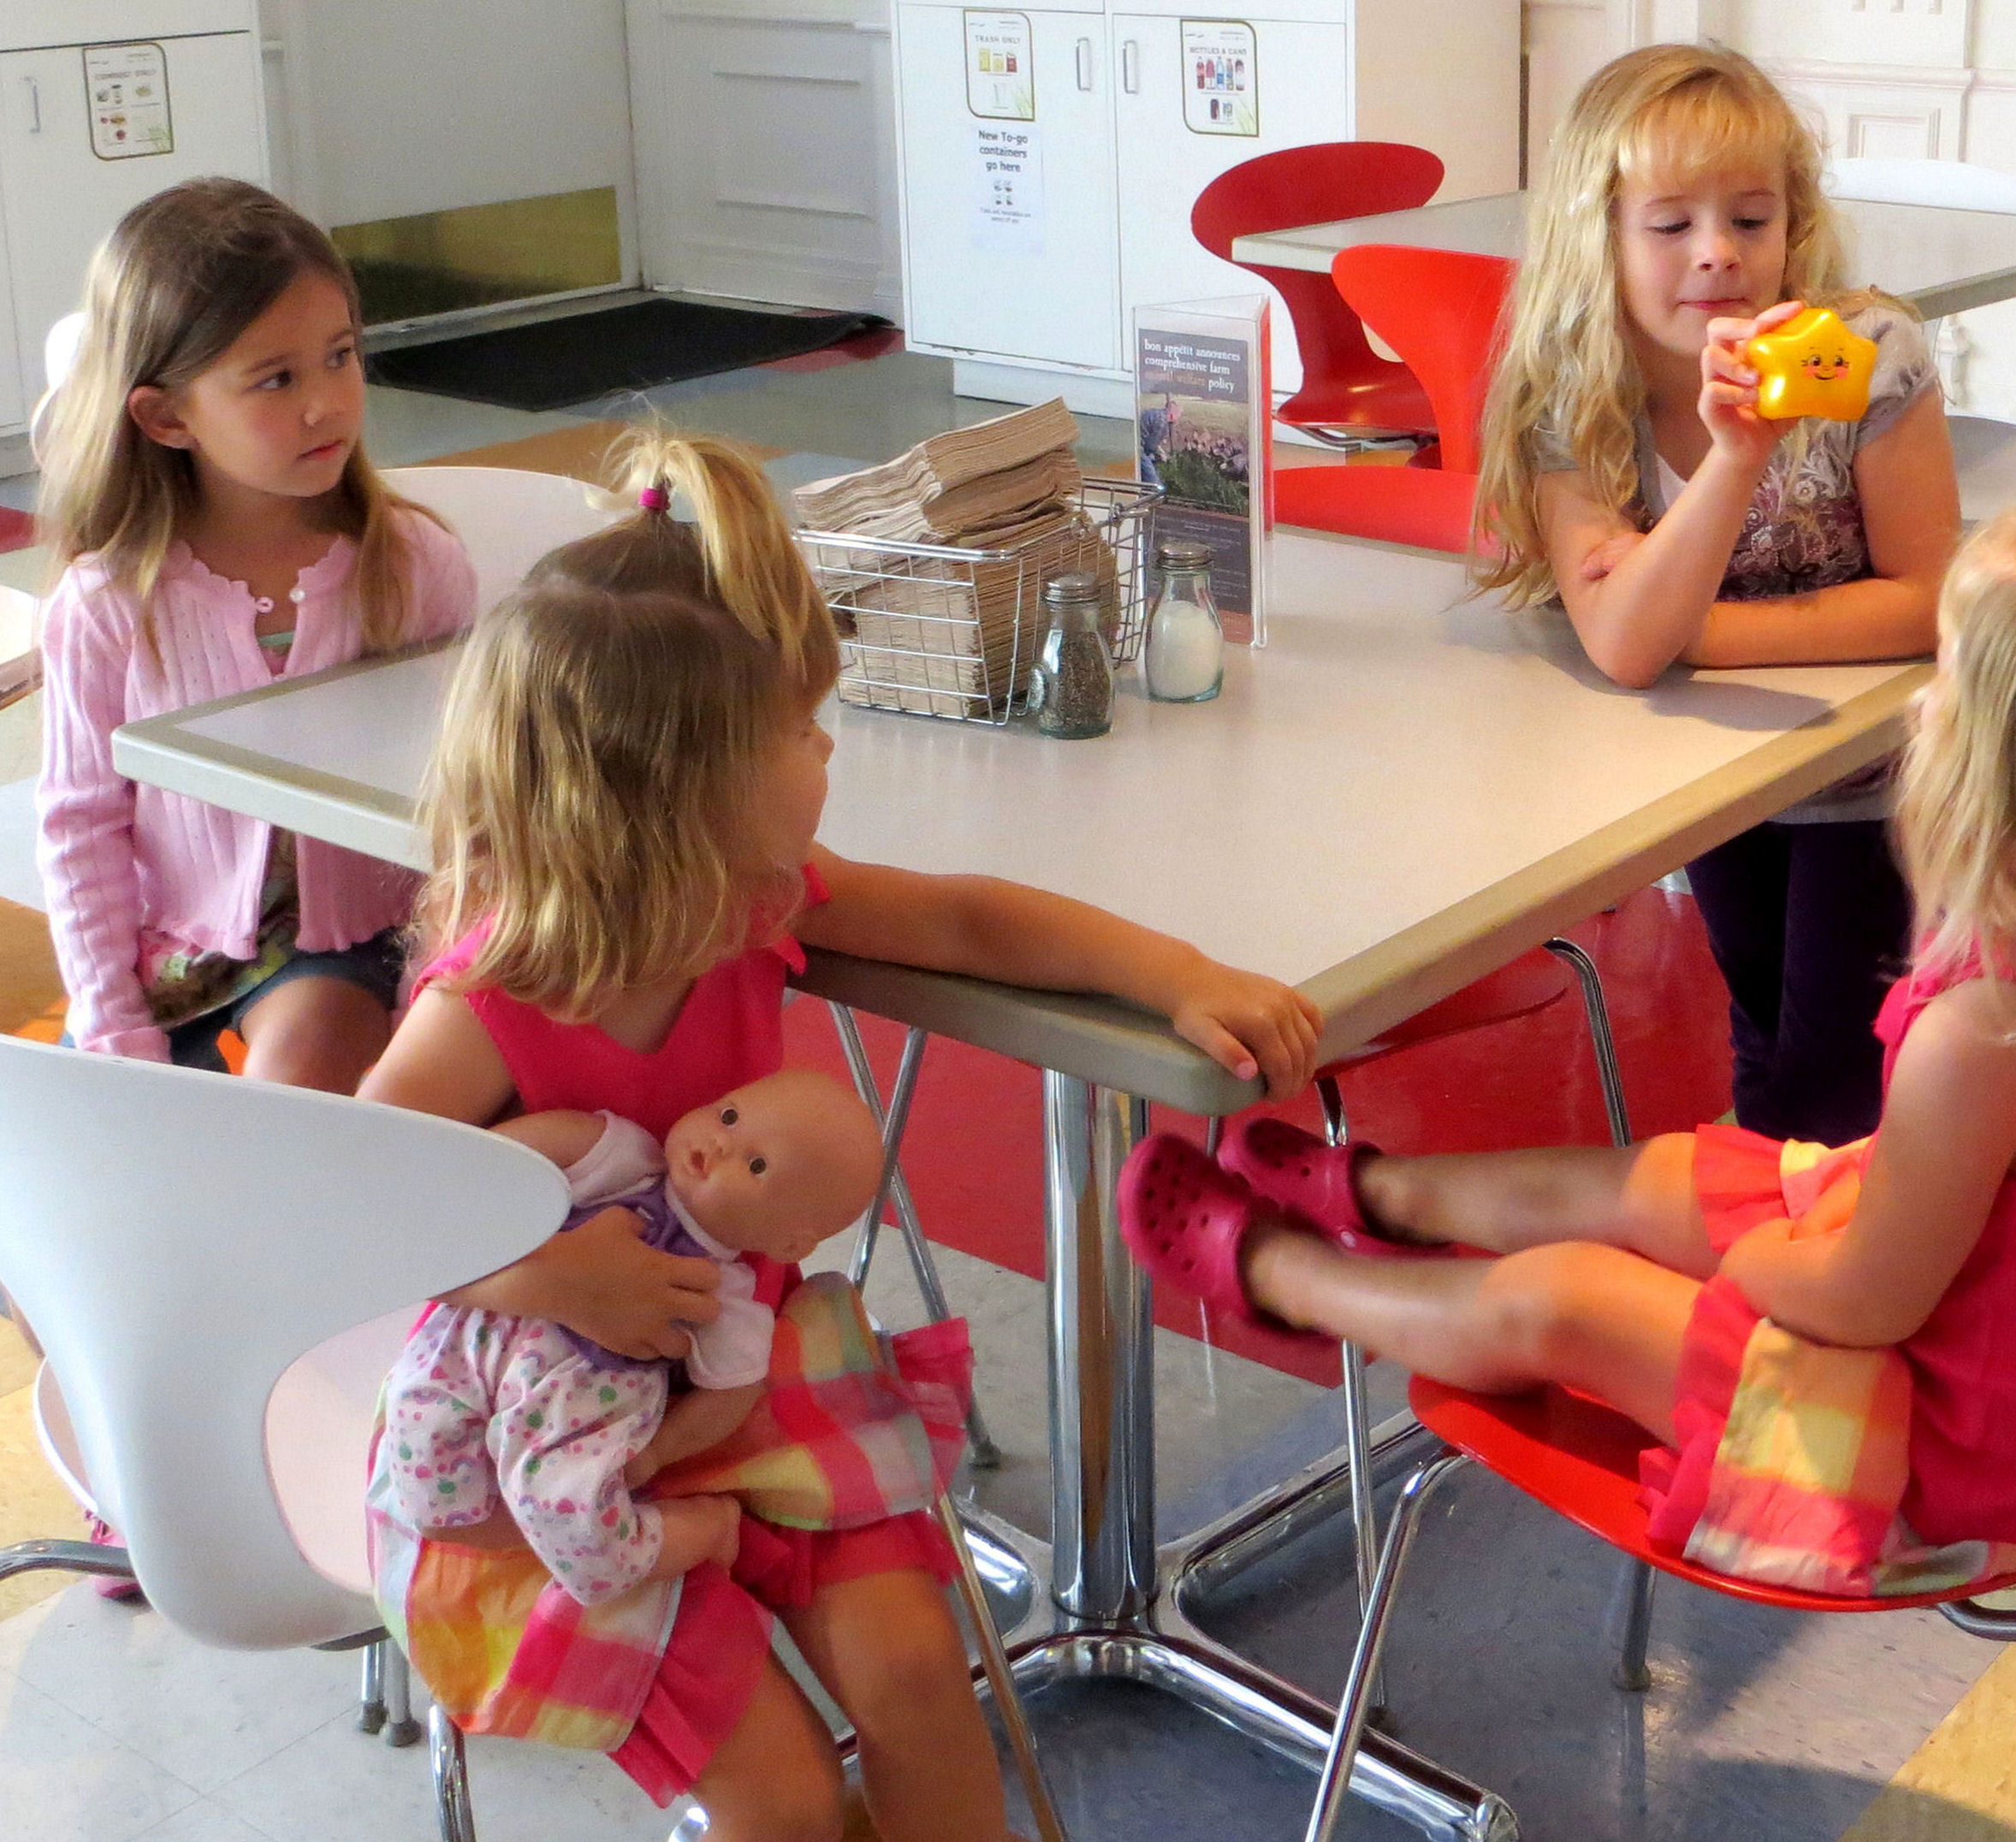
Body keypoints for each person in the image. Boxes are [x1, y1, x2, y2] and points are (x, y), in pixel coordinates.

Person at [359, 429, 1323, 1842]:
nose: (830, 749)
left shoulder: (750, 898)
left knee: (922, 1679)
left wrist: (1177, 971)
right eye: (800, 734)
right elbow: (353, 1203)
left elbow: (964, 917)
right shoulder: (488, 1009)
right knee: (787, 1798)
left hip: (747, 1356)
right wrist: (547, 1277)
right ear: (672, 798)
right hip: (554, 1428)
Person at [1121, 482, 2016, 1596]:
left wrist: (1754, 1269)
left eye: (1947, 680)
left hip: (1945, 1464)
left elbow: (1864, 1301)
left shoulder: (1993, 1035)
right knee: (1668, 1178)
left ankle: (1285, 1271)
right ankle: (1383, 1197)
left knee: (1570, 1299)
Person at [1477, 45, 1960, 1142]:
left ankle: (1829, 1275)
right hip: (1717, 780)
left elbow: (1930, 598)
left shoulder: (1867, 353)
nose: (1719, 256)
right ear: (1596, 235)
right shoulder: (1573, 402)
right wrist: (1736, 461)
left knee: (1839, 1071)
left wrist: (1682, 617)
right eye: (1670, 225)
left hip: (1883, 779)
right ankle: (1781, 1255)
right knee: (1761, 1035)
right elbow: (1626, 649)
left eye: (1751, 219)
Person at [36, 176, 475, 1084]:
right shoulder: (107, 601)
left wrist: (445, 982)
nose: (326, 403)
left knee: (297, 1086)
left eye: (341, 356)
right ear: (166, 417)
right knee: (88, 1150)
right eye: (275, 379)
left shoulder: (414, 564)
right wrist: (114, 1029)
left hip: (354, 939)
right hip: (172, 943)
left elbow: (472, 797)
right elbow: (82, 826)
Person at [375, 1070, 886, 1608]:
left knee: (582, 1531)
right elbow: (515, 1156)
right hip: (479, 1334)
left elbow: (733, 1394)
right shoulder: (624, 1161)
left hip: (570, 1408)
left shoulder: (730, 1300)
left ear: (788, 1242)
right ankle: (487, 1527)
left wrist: (660, 1451)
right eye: (728, 1115)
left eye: (756, 1164)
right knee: (420, 1440)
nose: (721, 1142)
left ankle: (706, 1529)